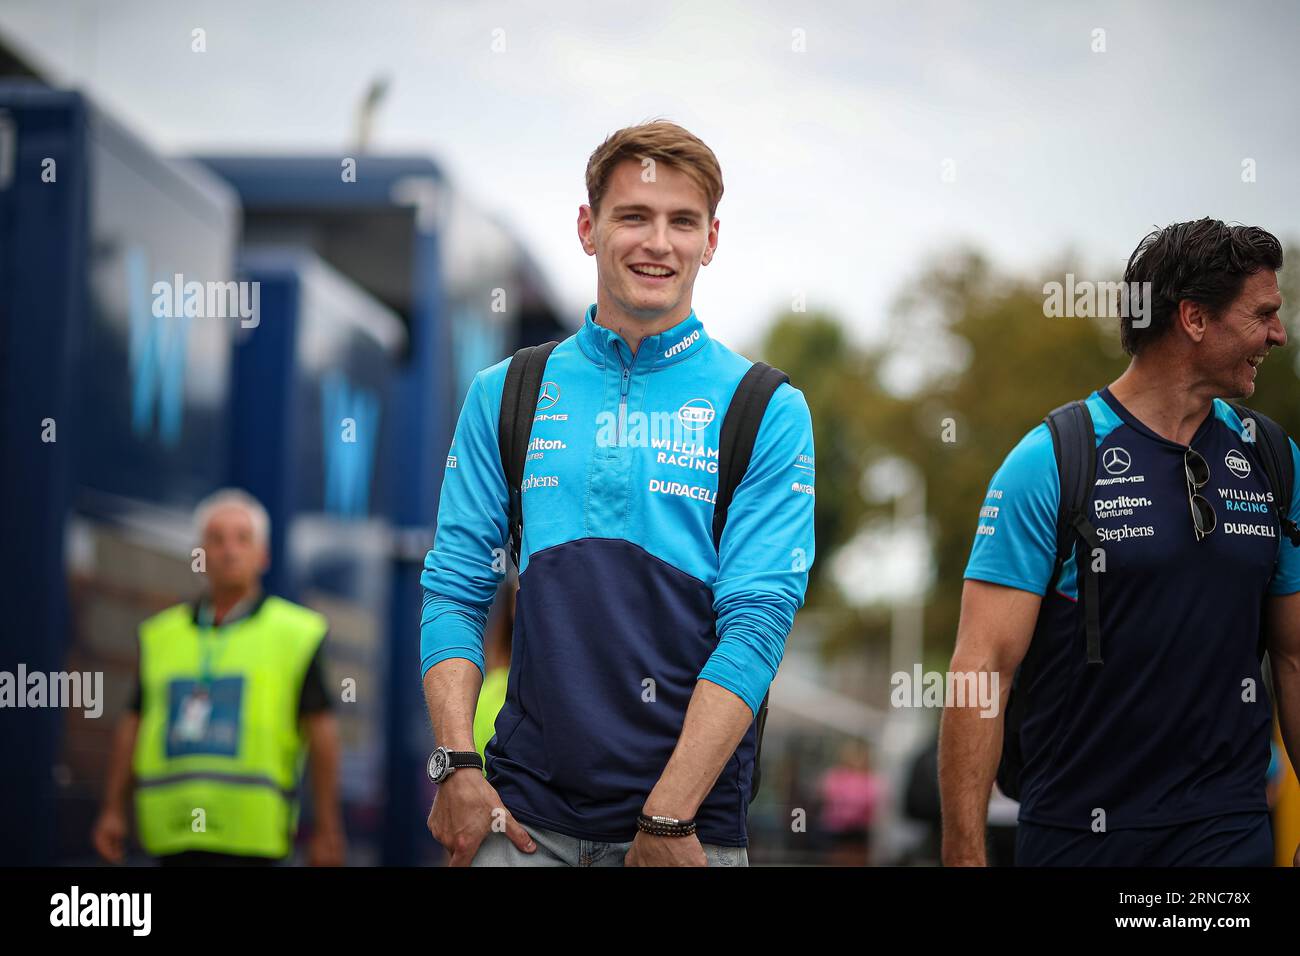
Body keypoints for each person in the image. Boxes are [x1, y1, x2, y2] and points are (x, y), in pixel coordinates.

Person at [420, 120, 816, 867]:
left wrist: (668, 815)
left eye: (682, 222)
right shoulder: (506, 392)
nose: (657, 243)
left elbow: (758, 622)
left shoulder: (764, 408)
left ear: (711, 239)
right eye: (633, 215)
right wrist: (456, 764)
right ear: (587, 227)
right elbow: (454, 588)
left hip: (688, 829)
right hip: (524, 820)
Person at [941, 219, 1300, 867]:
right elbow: (981, 669)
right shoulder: (1053, 459)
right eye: (1264, 315)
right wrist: (963, 856)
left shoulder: (1275, 460)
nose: (1278, 334)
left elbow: (1297, 657)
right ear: (1193, 317)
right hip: (1080, 833)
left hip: (1228, 828)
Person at [91, 489, 346, 866]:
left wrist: (327, 827)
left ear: (263, 555)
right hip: (172, 839)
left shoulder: (295, 634)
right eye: (217, 539)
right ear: (200, 554)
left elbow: (321, 734)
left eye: (243, 539)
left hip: (252, 845)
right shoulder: (161, 636)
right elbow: (133, 723)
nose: (229, 550)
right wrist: (112, 809)